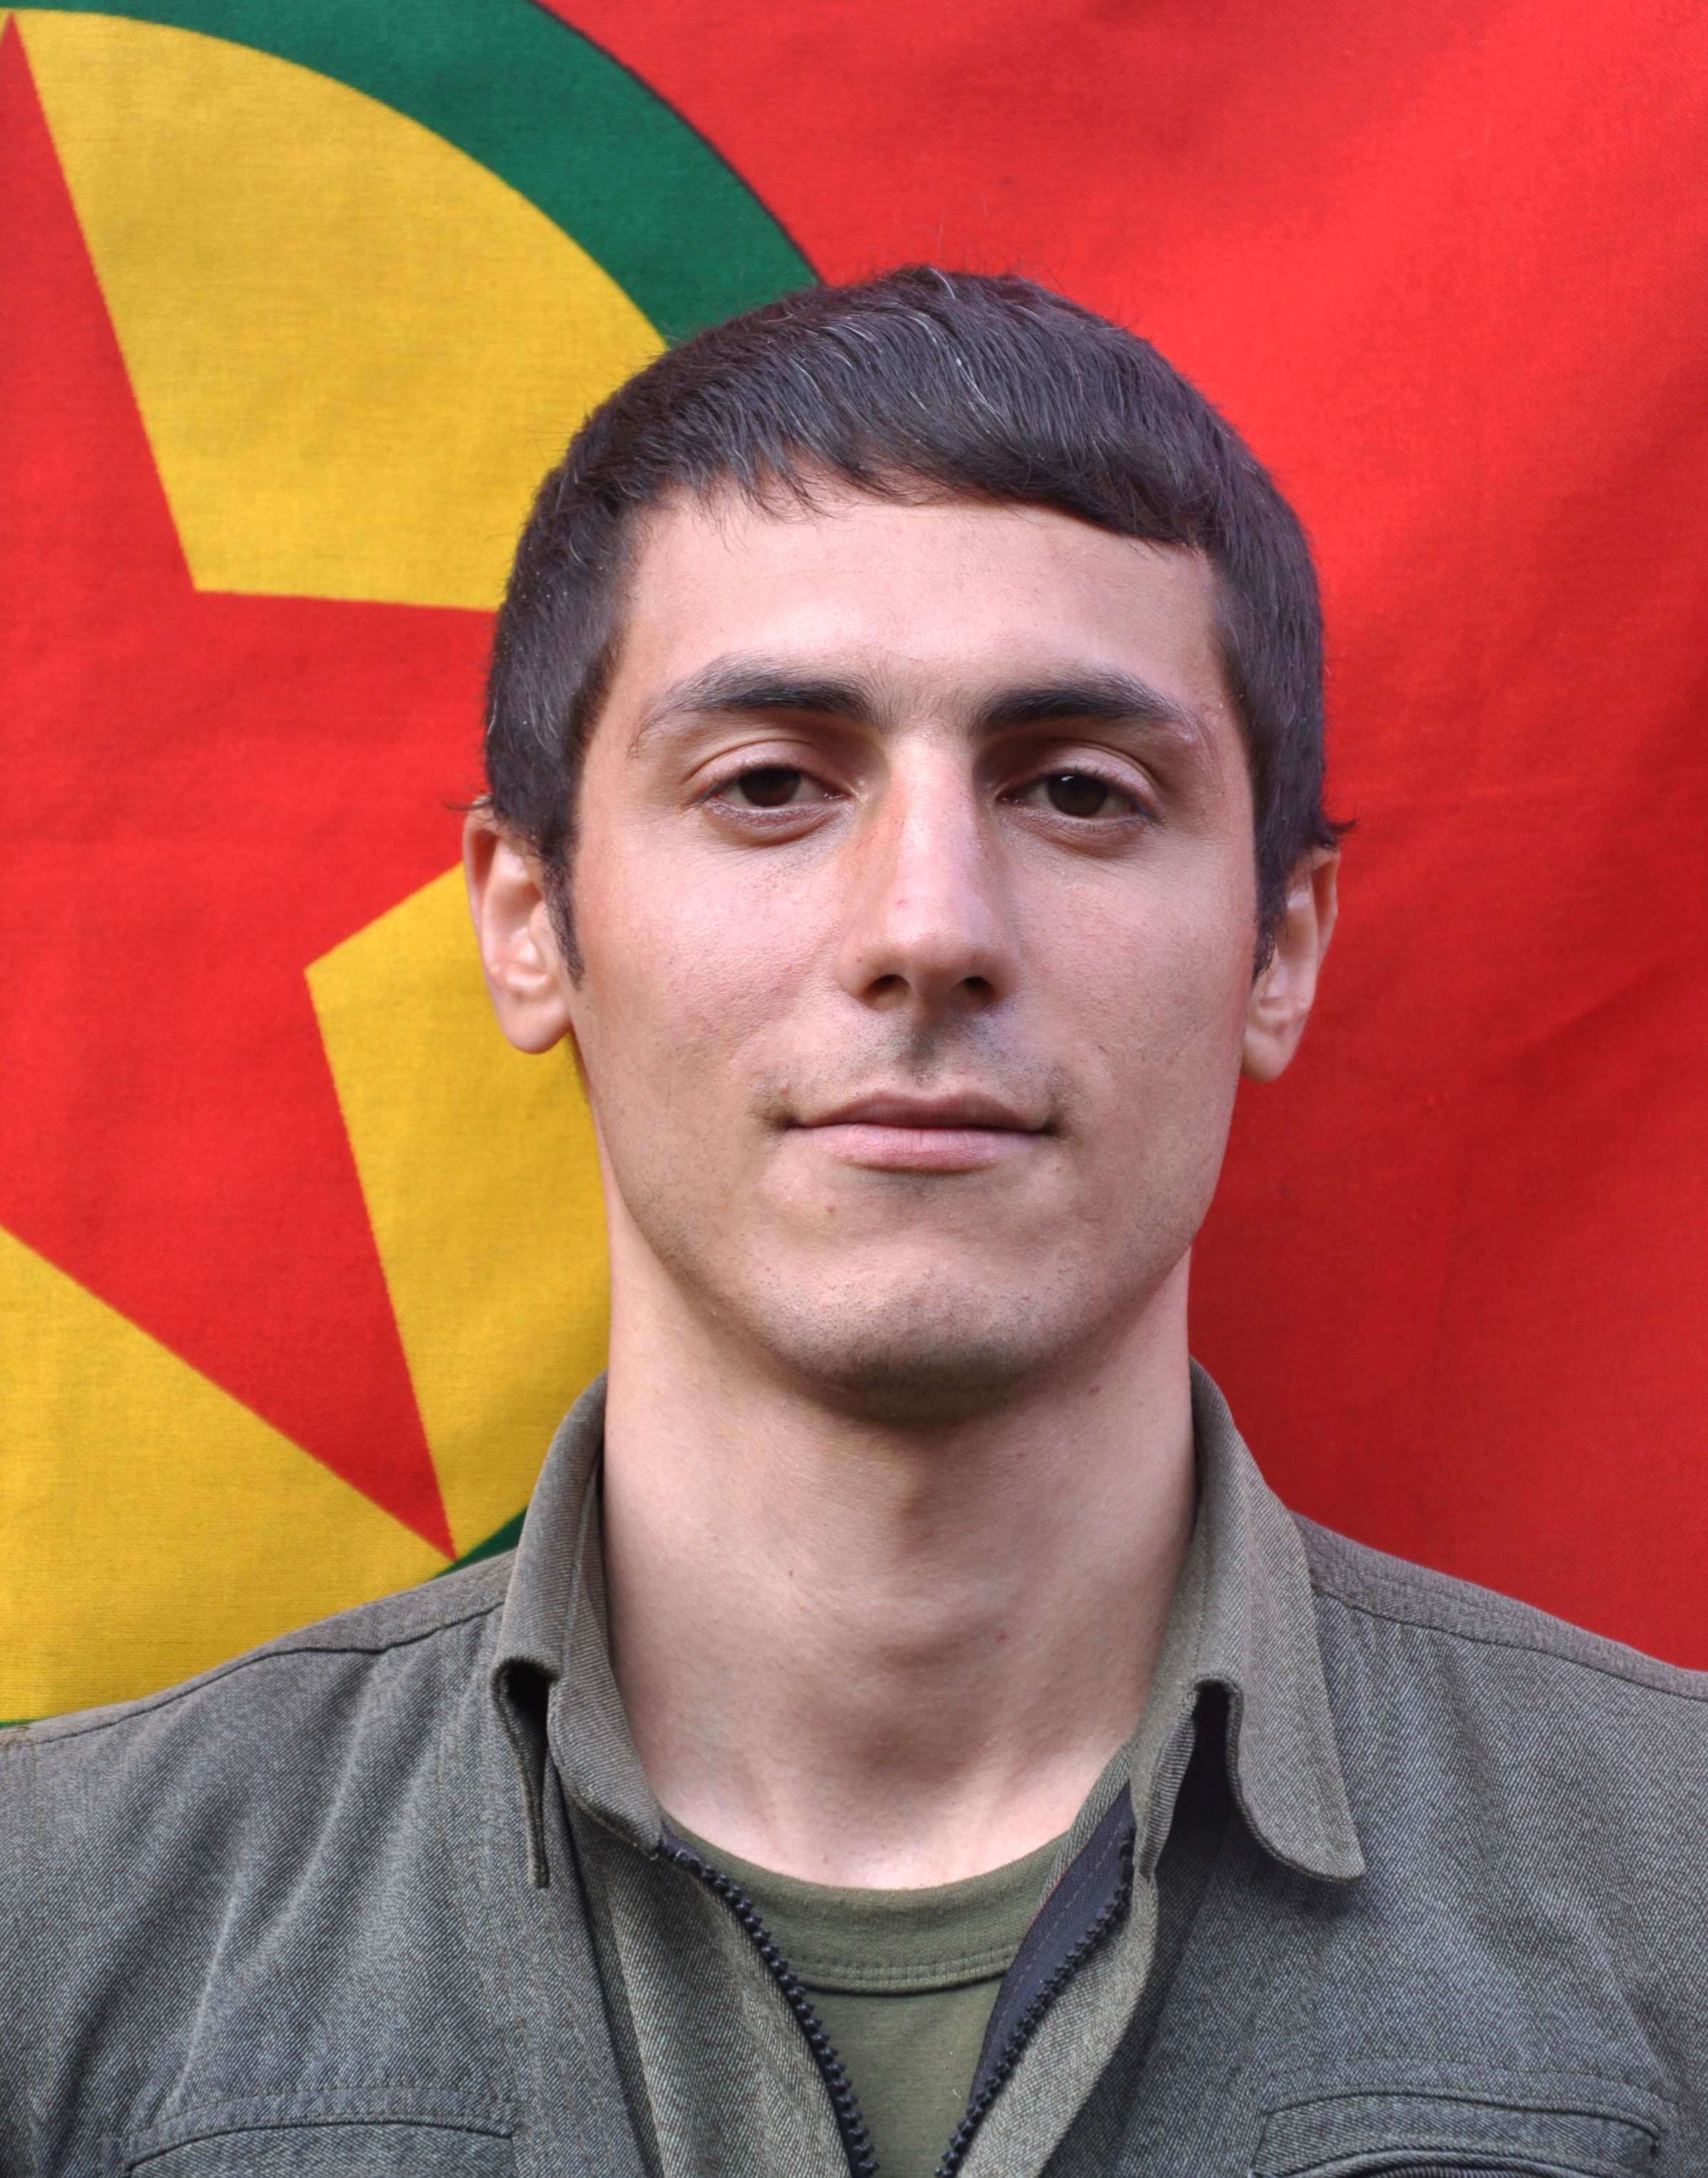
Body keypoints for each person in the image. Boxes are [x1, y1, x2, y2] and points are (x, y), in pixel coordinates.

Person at [3, 268, 1704, 2178]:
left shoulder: (1678, 1905)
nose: (929, 927)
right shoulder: (61, 1933)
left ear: (1279, 944)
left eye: (1079, 791)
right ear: (530, 919)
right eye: (769, 785)